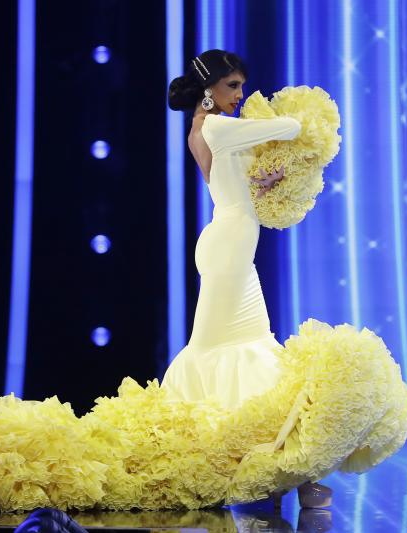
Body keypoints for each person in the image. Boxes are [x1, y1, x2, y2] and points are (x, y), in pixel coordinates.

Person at [163, 49, 331, 508]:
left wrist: (268, 181)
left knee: (254, 349)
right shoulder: (215, 126)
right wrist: (309, 125)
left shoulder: (210, 131)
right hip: (228, 249)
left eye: (240, 85)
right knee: (216, 353)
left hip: (231, 245)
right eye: (232, 86)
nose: (240, 95)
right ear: (209, 89)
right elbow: (286, 128)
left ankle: (290, 471)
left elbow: (231, 187)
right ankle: (225, 466)